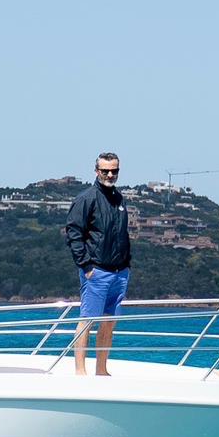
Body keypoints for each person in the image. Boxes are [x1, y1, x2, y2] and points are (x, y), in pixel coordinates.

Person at [64, 153, 132, 376]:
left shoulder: (119, 199)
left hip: (119, 272)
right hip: (97, 271)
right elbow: (74, 233)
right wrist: (86, 266)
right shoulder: (87, 198)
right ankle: (80, 371)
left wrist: (126, 265)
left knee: (109, 323)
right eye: (105, 171)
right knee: (87, 320)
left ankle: (102, 370)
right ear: (97, 171)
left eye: (114, 171)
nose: (110, 175)